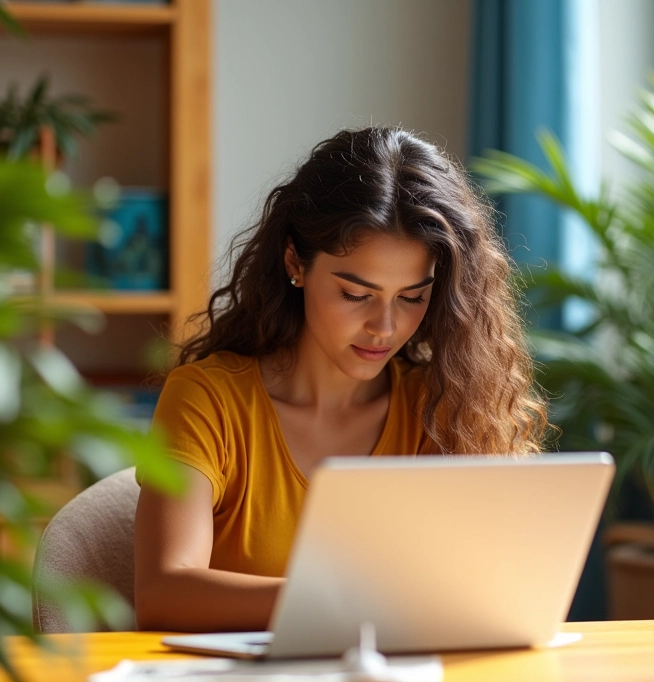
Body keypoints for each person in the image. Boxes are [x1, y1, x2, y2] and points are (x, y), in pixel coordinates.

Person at [134, 126, 549, 632]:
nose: (385, 327)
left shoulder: (441, 409)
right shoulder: (208, 399)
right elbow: (162, 591)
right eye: (356, 294)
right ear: (296, 264)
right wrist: (350, 601)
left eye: (412, 296)